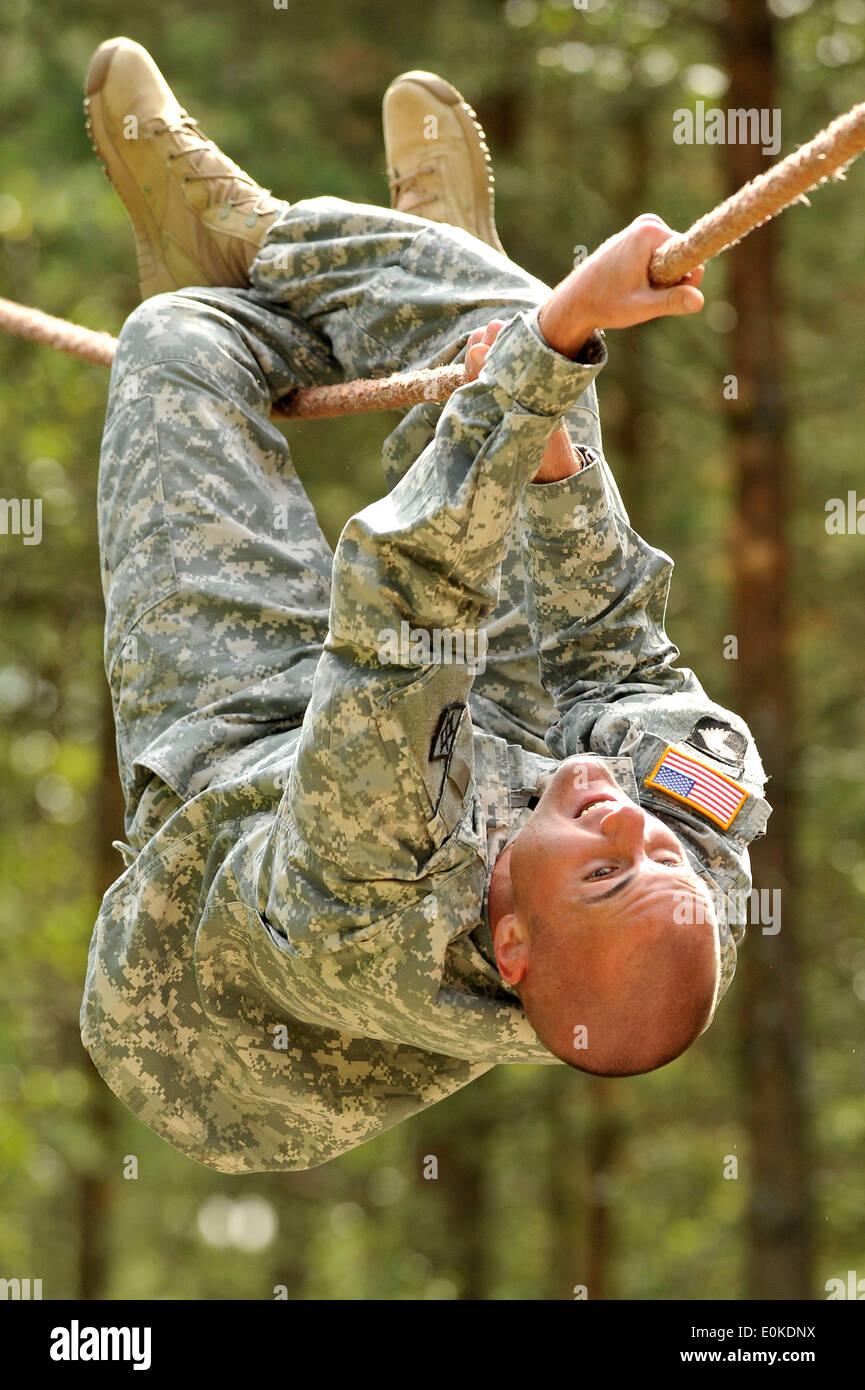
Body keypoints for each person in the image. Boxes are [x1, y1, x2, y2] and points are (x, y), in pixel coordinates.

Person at [80, 39, 771, 1174]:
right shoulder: (684, 884)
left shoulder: (373, 875)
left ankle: (258, 250)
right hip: (468, 759)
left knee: (182, 340)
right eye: (658, 855)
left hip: (224, 860)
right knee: (515, 329)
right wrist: (541, 445)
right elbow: (616, 656)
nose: (632, 828)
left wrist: (536, 366)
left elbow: (404, 599)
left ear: (510, 939)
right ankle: (440, 299)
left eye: (605, 866)